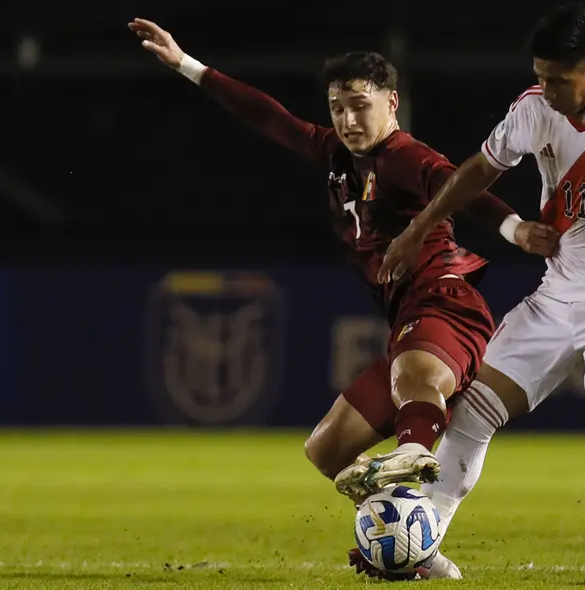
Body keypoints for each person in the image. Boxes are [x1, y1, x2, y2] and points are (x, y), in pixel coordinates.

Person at [128, 17, 560, 580]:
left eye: (361, 105)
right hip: (407, 316)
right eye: (338, 108)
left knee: (416, 374)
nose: (349, 120)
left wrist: (513, 229)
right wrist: (187, 64)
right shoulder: (334, 153)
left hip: (445, 302)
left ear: (391, 103)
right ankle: (413, 545)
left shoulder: (405, 155)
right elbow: (268, 116)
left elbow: (457, 184)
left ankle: (414, 452)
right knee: (328, 452)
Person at [376, 1, 585, 585]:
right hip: (556, 295)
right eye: (539, 76)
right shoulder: (533, 109)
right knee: (471, 414)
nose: (546, 89)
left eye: (558, 79)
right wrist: (417, 228)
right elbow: (478, 171)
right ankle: (421, 545)